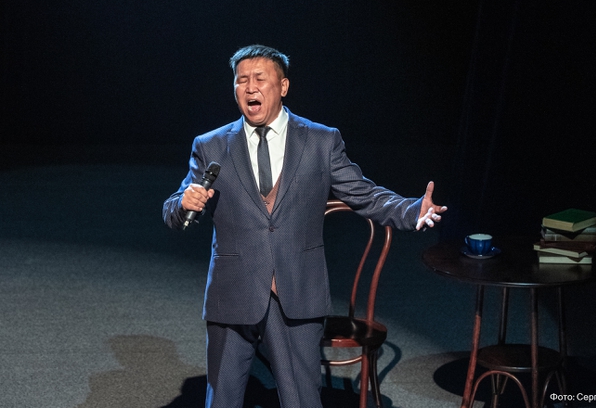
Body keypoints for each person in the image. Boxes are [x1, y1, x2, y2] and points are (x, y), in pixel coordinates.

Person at [162, 44, 447, 408]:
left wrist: (412, 210)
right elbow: (175, 209)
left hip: (296, 290)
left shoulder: (321, 141)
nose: (250, 87)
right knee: (223, 400)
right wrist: (183, 204)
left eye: (259, 78)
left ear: (283, 86)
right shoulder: (211, 145)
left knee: (302, 400)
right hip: (232, 292)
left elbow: (364, 194)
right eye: (241, 80)